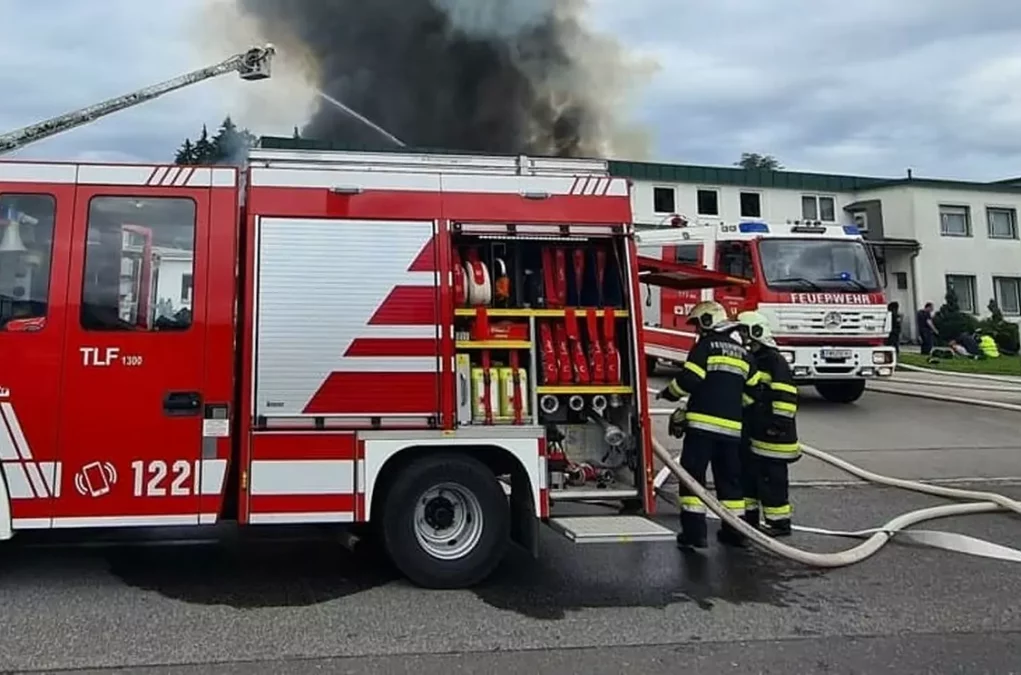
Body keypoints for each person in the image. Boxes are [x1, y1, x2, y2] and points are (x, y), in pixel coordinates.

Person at [658, 300, 761, 549]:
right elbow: (754, 392)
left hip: (702, 428)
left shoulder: (705, 347)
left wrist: (668, 394)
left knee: (692, 478)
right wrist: (733, 408)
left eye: (697, 324)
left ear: (707, 321)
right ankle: (735, 532)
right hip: (731, 431)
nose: (697, 330)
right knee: (730, 482)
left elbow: (690, 379)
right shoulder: (744, 352)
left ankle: (695, 535)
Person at [735, 311, 801, 537]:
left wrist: (778, 425)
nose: (743, 337)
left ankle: (780, 524)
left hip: (774, 437)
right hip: (757, 433)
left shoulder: (774, 360)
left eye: (745, 332)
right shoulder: (754, 358)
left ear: (757, 331)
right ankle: (750, 520)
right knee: (751, 477)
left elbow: (785, 396)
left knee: (772, 481)